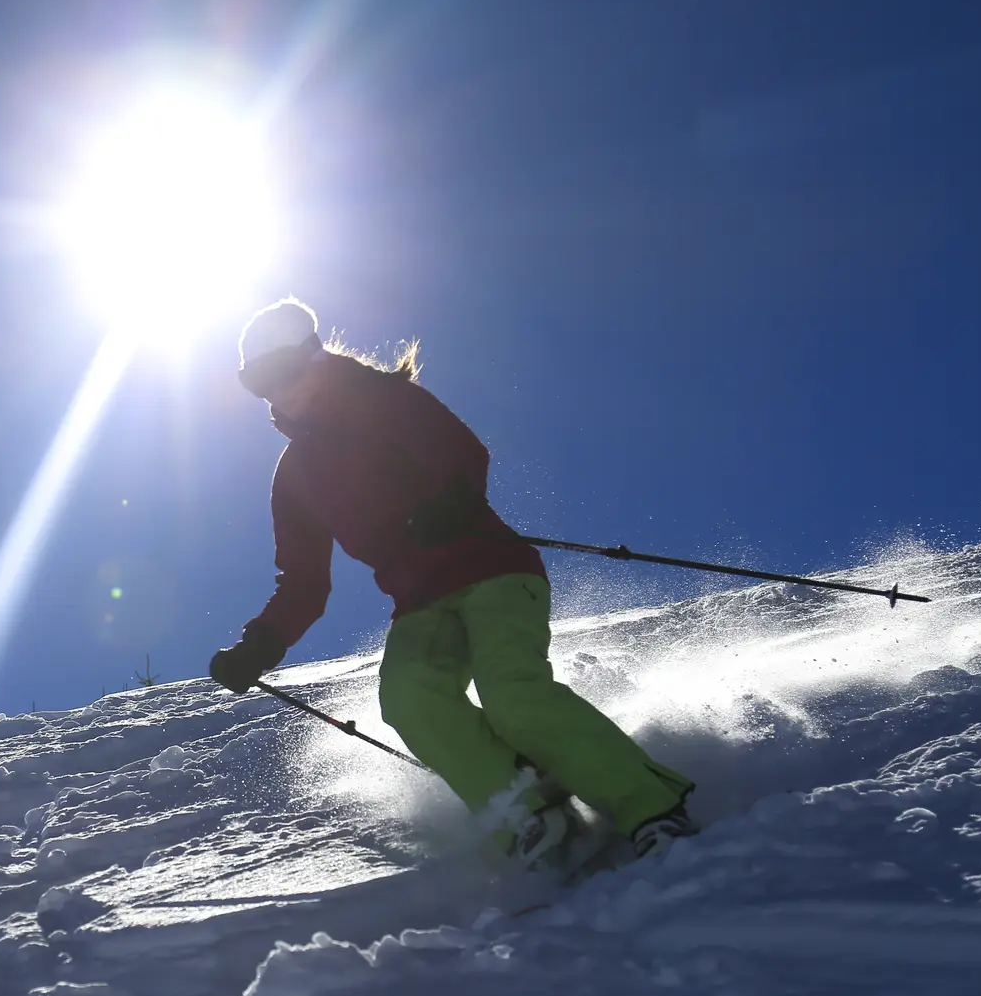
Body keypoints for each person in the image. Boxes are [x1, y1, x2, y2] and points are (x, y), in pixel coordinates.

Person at [208, 298, 700, 864]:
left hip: (493, 570)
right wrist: (260, 645)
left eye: (282, 374)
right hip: (420, 600)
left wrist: (452, 503)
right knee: (409, 697)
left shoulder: (380, 398)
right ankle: (531, 817)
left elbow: (462, 452)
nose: (276, 393)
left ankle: (654, 807)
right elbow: (303, 580)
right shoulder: (294, 476)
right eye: (258, 383)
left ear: (313, 358)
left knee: (512, 693)